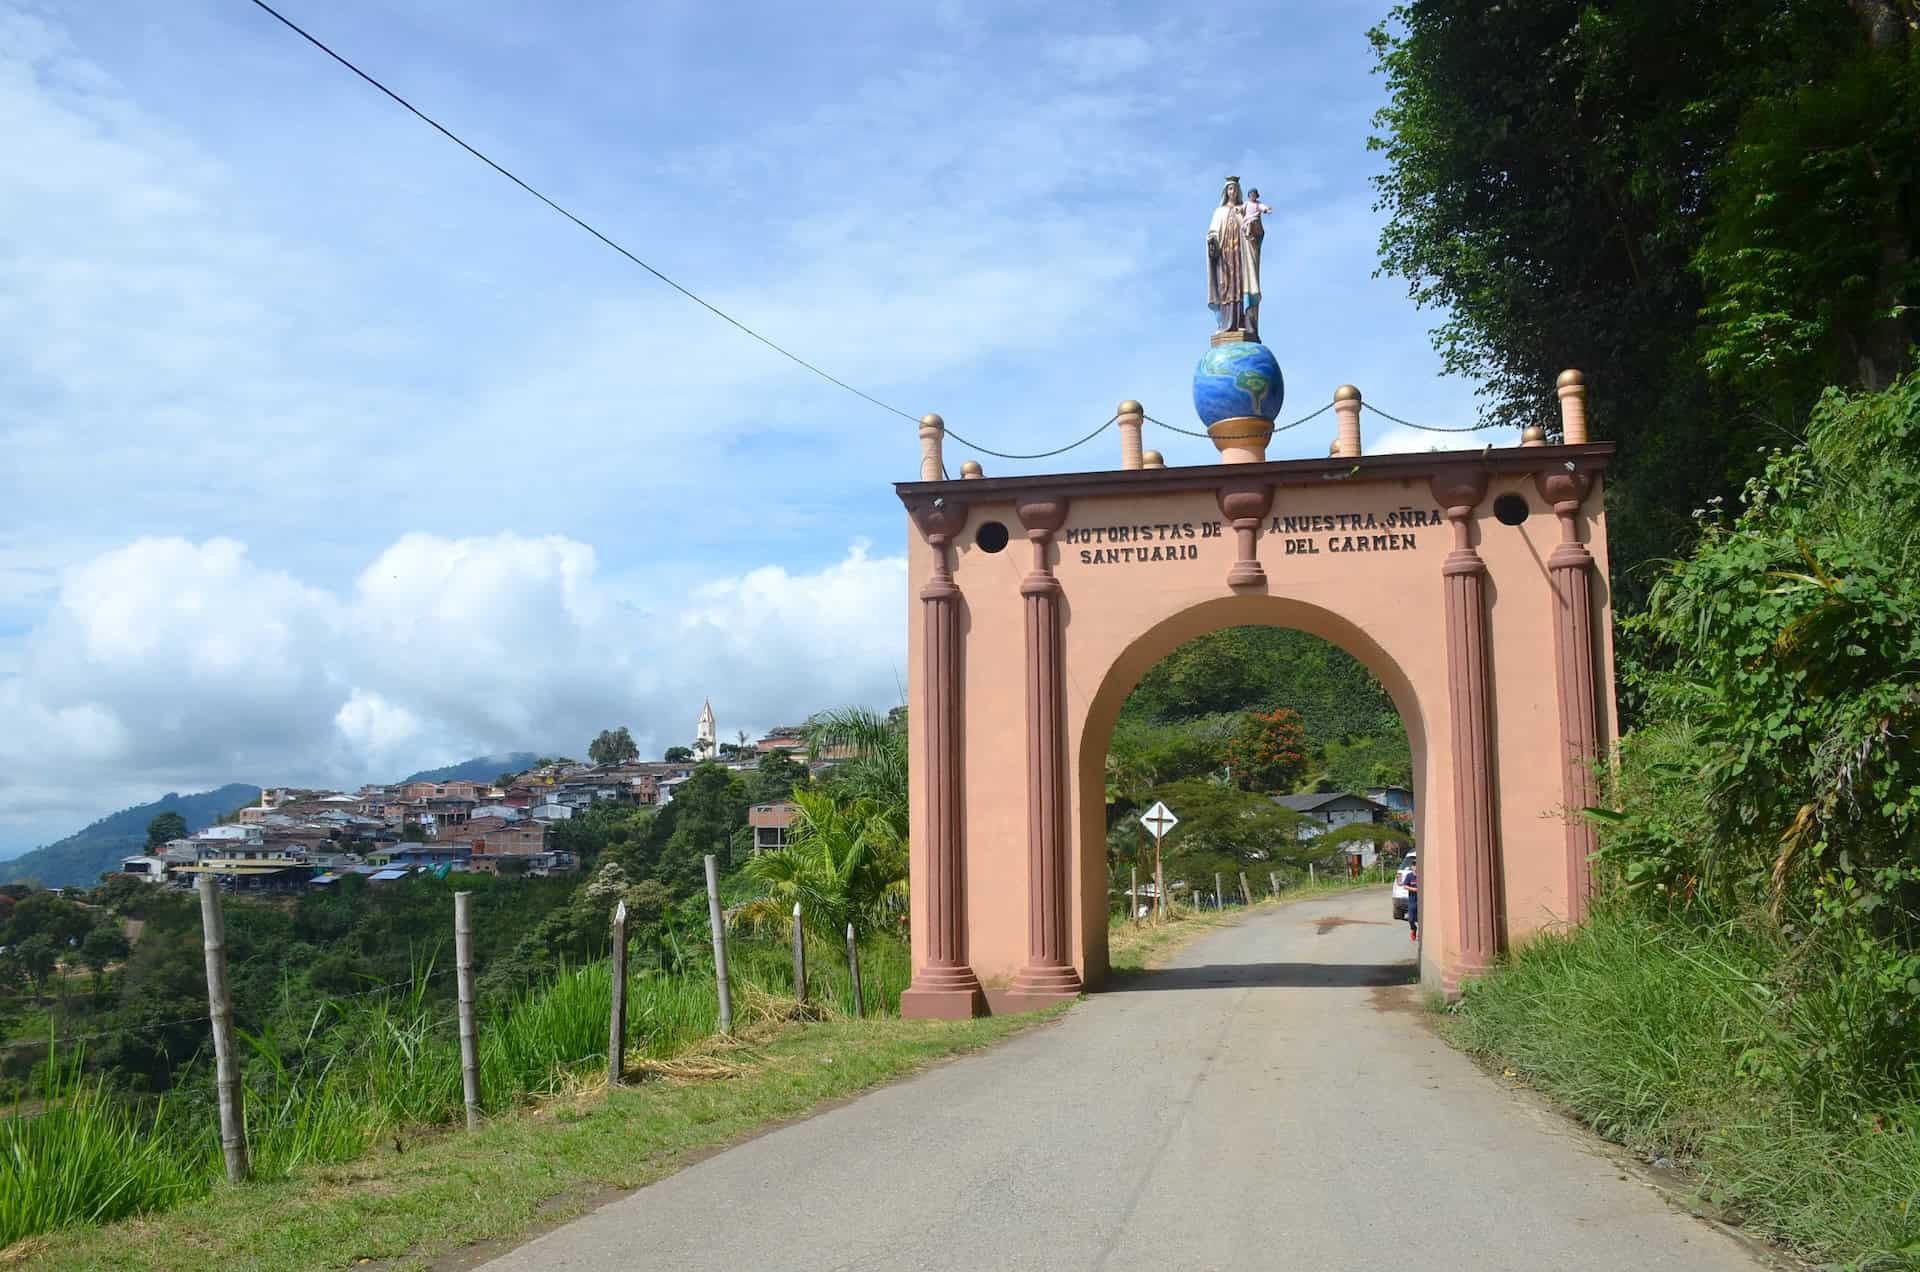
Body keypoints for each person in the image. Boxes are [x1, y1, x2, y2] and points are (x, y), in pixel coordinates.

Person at [1206, 176, 1263, 340]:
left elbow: (1254, 230)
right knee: (1226, 287)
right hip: (1225, 257)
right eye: (1230, 189)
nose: (1233, 192)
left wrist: (1253, 227)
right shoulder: (1219, 212)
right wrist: (1212, 241)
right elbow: (1212, 232)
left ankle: (1243, 321)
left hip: (1240, 257)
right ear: (1226, 192)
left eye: (1235, 189)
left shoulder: (1243, 209)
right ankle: (1225, 323)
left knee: (1241, 286)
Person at [1243, 187, 1273, 276]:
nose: (1253, 196)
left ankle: (1251, 235)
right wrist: (1238, 210)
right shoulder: (1247, 204)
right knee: (1249, 223)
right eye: (1251, 194)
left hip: (1255, 219)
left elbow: (1262, 207)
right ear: (1249, 196)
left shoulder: (1257, 204)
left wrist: (1267, 210)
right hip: (1248, 220)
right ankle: (1248, 235)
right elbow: (1241, 208)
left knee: (1252, 222)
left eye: (1254, 194)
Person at [1404, 862, 1419, 941]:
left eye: (1417, 865)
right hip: (1412, 900)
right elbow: (1405, 886)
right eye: (1414, 866)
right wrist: (1413, 889)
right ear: (1412, 867)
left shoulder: (1421, 875)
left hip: (1420, 901)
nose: (1416, 867)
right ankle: (1413, 929)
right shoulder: (1409, 876)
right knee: (1411, 919)